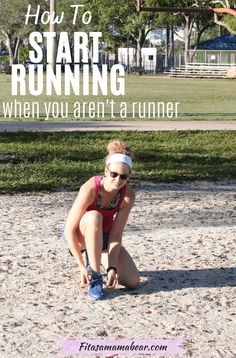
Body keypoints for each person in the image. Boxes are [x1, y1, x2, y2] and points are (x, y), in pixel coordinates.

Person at [63, 140, 140, 300]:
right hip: (80, 236)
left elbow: (116, 234)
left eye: (123, 176)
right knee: (94, 216)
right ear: (106, 171)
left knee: (132, 281)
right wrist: (81, 267)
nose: (118, 180)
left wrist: (112, 267)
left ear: (129, 176)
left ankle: (99, 260)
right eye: (114, 174)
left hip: (103, 237)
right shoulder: (91, 188)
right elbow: (68, 230)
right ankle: (95, 275)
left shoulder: (128, 196)